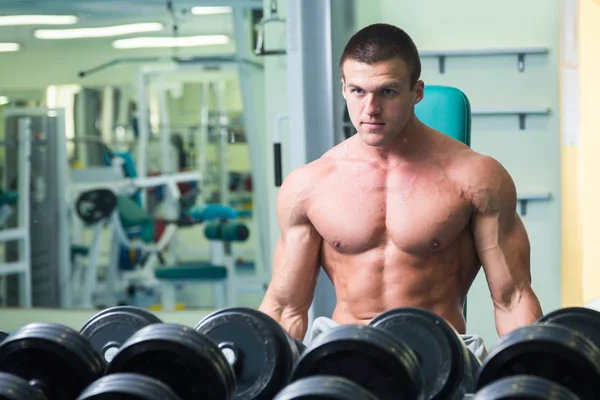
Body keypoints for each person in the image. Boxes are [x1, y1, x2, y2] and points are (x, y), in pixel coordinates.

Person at [258, 23, 543, 353]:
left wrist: (531, 371)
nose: (370, 109)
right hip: (344, 352)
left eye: (387, 92)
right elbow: (285, 309)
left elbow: (512, 299)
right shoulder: (309, 185)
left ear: (417, 92)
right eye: (358, 91)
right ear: (344, 89)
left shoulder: (476, 178)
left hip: (438, 356)